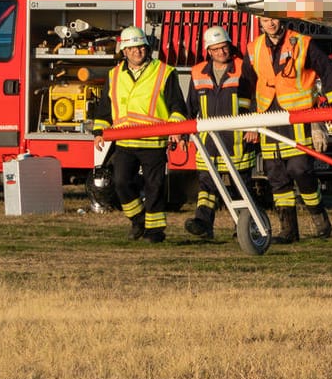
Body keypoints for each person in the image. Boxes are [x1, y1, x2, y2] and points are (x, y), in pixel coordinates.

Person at [90, 26, 188, 242]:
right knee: (121, 182)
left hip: (154, 141)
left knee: (155, 187)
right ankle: (137, 219)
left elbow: (177, 106)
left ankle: (155, 232)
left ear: (147, 48)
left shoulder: (165, 71)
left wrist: (176, 131)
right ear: (124, 51)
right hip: (124, 140)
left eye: (141, 47)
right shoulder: (114, 75)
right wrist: (99, 131)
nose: (137, 52)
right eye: (132, 48)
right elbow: (105, 108)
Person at [248, 15, 332, 244]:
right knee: (277, 177)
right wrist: (247, 119)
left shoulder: (302, 43)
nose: (271, 24)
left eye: (275, 19)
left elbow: (326, 68)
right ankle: (288, 230)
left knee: (301, 170)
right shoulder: (254, 47)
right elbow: (247, 83)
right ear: (259, 23)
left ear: (283, 20)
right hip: (268, 117)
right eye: (266, 20)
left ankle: (319, 216)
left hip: (298, 117)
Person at [183, 26, 257, 239]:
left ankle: (244, 229)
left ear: (229, 46)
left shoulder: (244, 68)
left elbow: (256, 99)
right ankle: (203, 223)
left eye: (224, 48)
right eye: (215, 49)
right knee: (206, 186)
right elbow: (191, 106)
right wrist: (183, 132)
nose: (221, 53)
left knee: (241, 187)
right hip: (209, 142)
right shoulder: (198, 72)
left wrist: (253, 126)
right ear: (208, 51)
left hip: (238, 140)